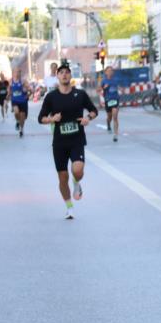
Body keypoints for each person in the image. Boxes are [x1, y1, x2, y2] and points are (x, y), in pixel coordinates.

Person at [38, 61, 98, 219]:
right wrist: (52, 119)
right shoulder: (51, 97)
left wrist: (88, 118)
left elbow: (94, 110)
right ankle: (69, 207)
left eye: (67, 72)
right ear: (57, 76)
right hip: (59, 143)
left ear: (70, 76)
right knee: (62, 178)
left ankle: (76, 182)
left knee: (77, 170)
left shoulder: (80, 94)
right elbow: (41, 118)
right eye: (61, 72)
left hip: (77, 139)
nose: (64, 74)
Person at [100, 65, 121, 141]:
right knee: (110, 117)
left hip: (115, 99)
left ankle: (115, 135)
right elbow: (98, 89)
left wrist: (120, 89)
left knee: (115, 116)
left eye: (111, 71)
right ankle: (108, 124)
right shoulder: (103, 81)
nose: (110, 72)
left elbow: (119, 87)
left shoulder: (116, 80)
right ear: (106, 72)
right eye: (108, 71)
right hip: (108, 100)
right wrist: (104, 88)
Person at [9, 68, 31, 137]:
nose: (17, 74)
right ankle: (17, 121)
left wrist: (27, 94)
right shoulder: (11, 81)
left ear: (20, 73)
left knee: (22, 117)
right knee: (16, 112)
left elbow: (30, 90)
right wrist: (8, 97)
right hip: (15, 100)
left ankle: (21, 129)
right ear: (13, 73)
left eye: (18, 72)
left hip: (23, 101)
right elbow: (10, 91)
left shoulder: (23, 81)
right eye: (15, 72)